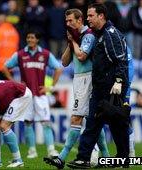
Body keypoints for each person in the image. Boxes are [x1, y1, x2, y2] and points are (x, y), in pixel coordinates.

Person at [43, 8, 110, 169]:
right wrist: (70, 43)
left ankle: (61, 157)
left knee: (76, 118)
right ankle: (107, 158)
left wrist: (73, 41)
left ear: (80, 21)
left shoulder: (87, 35)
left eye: (71, 20)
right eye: (66, 21)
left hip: (87, 78)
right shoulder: (77, 36)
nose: (68, 23)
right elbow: (65, 62)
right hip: (79, 79)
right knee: (91, 121)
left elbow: (82, 56)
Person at [67, 3, 130, 169]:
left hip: (111, 87)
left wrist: (118, 82)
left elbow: (121, 60)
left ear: (101, 16)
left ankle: (123, 158)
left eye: (90, 16)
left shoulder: (111, 34)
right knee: (93, 123)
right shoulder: (99, 34)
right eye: (87, 16)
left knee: (117, 125)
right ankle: (84, 158)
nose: (87, 19)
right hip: (100, 87)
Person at [3, 30, 62, 159]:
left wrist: (51, 86)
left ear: (37, 40)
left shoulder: (45, 54)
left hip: (41, 95)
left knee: (45, 122)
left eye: (32, 37)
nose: (29, 40)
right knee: (28, 123)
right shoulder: (20, 54)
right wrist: (14, 82)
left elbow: (58, 68)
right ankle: (31, 151)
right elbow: (5, 67)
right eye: (28, 37)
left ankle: (51, 150)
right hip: (26, 95)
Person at [0, 14, 19, 80]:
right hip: (11, 66)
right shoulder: (14, 31)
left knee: (0, 87)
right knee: (9, 87)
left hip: (0, 66)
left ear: (0, 21)